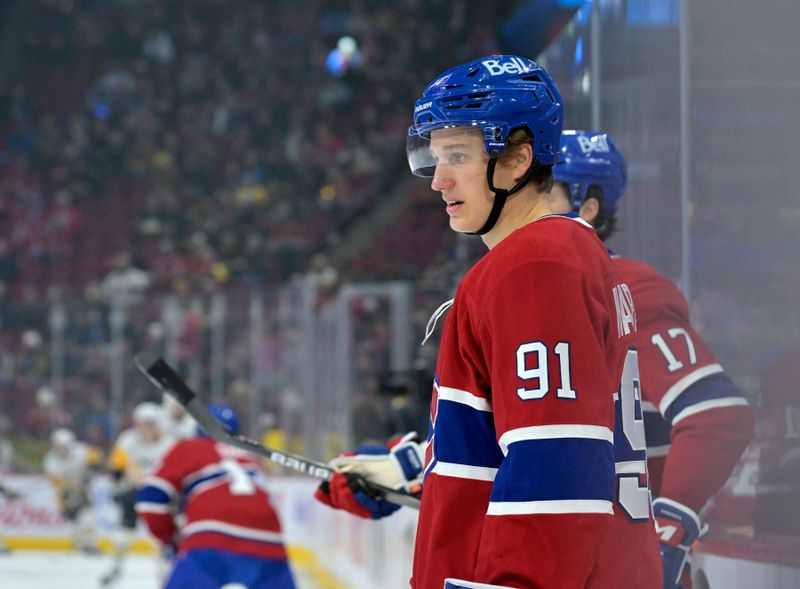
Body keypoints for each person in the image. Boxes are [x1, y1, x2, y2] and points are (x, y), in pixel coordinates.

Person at [315, 55, 662, 588]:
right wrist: (412, 468)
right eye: (433, 157)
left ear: (519, 158)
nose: (439, 180)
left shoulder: (534, 266)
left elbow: (557, 468)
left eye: (458, 155)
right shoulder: (572, 257)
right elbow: (518, 444)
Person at [548, 130, 755, 588]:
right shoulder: (530, 297)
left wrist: (666, 534)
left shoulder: (623, 290)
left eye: (544, 191)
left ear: (587, 208)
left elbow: (716, 415)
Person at [135, 404, 296, 589]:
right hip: (269, 539)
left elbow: (150, 498)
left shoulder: (190, 448)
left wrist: (169, 539)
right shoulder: (250, 457)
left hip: (211, 534)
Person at [107, 402, 175, 560]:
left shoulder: (169, 443)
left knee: (162, 537)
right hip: (134, 492)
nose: (146, 428)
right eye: (143, 424)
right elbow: (116, 469)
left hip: (159, 495)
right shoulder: (127, 440)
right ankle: (115, 566)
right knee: (124, 533)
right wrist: (118, 486)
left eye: (150, 424)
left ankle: (165, 569)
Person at [43, 427, 103, 553]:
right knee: (74, 522)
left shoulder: (83, 451)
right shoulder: (50, 461)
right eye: (59, 446)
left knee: (88, 518)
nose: (62, 449)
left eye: (64, 446)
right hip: (66, 494)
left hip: (84, 490)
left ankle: (90, 544)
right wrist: (70, 487)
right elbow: (58, 485)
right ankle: (80, 543)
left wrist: (91, 470)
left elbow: (98, 460)